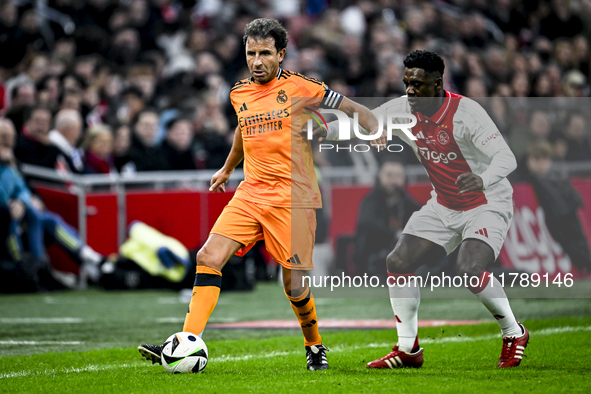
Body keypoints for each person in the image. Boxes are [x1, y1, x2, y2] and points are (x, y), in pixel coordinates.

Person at [138, 18, 383, 371]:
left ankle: (314, 346)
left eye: (265, 53)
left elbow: (354, 109)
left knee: (294, 285)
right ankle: (185, 341)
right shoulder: (239, 92)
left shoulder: (302, 88)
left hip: (293, 198)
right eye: (251, 53)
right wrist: (226, 169)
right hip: (251, 191)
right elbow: (244, 130)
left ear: (281, 54)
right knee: (208, 256)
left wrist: (374, 130)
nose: (257, 61)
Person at [324, 50, 528, 369]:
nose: (410, 91)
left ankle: (513, 333)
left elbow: (507, 158)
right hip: (444, 204)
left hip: (486, 202)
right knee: (398, 261)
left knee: (470, 268)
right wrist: (322, 131)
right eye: (406, 83)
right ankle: (408, 349)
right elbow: (364, 122)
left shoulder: (467, 113)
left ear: (437, 83)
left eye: (417, 84)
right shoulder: (403, 109)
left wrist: (482, 178)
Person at [354, 160, 421, 279]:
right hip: (374, 258)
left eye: (398, 176)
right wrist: (394, 234)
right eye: (389, 175)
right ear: (380, 177)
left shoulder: (407, 203)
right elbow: (367, 222)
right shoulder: (370, 201)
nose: (393, 181)